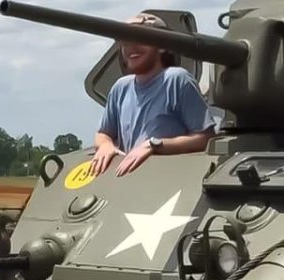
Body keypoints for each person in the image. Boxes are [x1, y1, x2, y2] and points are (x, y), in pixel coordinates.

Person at [90, 13, 216, 177]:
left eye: (140, 38)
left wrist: (154, 145)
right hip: (133, 179)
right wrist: (105, 145)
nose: (131, 47)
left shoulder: (176, 80)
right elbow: (103, 133)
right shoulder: (120, 88)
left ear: (162, 46)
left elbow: (206, 138)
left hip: (168, 177)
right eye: (125, 41)